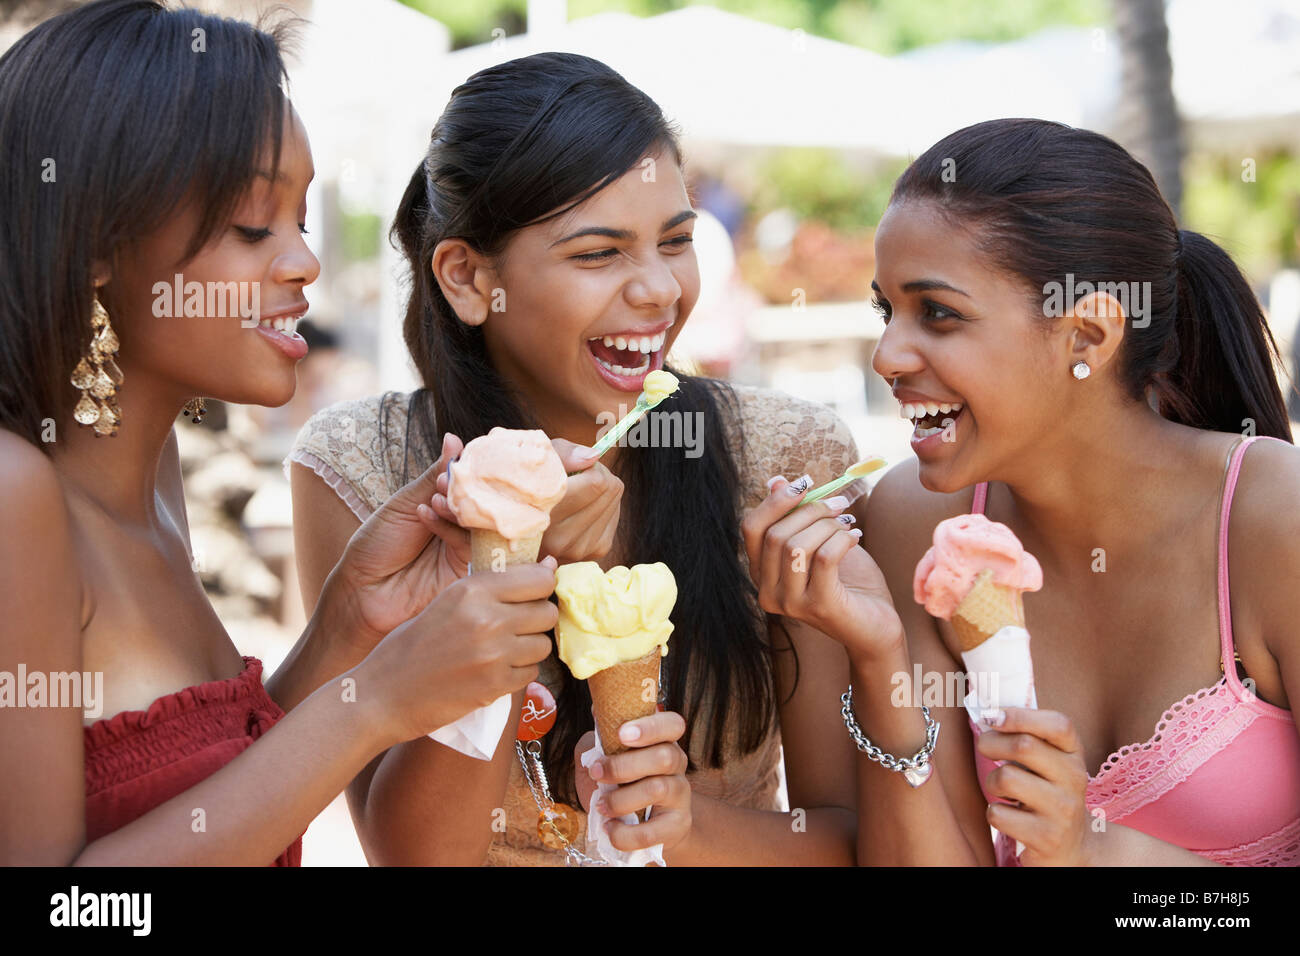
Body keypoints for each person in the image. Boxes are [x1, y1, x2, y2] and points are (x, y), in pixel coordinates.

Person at [0, 0, 556, 865]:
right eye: (254, 225)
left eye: (301, 220)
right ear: (96, 243)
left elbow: (212, 801)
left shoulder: (157, 474)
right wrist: (372, 702)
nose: (304, 261)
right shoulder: (14, 495)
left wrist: (348, 624)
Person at [289, 52, 865, 865]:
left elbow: (849, 841)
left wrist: (689, 825)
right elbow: (413, 856)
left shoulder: (778, 459)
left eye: (676, 241)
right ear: (464, 276)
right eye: (599, 254)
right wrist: (514, 568)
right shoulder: (364, 467)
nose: (660, 290)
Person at [743, 118, 1300, 866]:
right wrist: (876, 657)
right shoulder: (920, 518)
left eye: (937, 313)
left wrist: (1097, 852)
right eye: (887, 311)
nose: (887, 356)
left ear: (1088, 337)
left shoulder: (1272, 517)